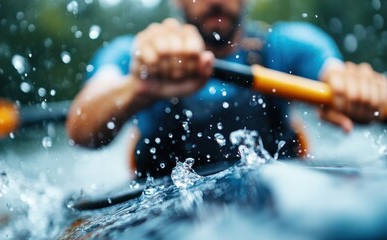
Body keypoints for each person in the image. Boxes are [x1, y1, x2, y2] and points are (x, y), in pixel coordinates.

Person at [66, 0, 387, 177]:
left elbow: (336, 75)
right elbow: (81, 127)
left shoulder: (290, 45)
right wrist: (139, 87)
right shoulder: (131, 54)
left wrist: (360, 90)